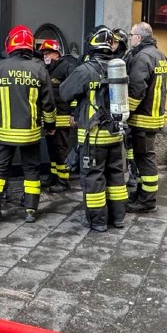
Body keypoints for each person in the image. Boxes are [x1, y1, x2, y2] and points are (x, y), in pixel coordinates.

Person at [0, 25, 56, 227]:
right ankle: (30, 210)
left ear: (11, 44)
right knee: (31, 171)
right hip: (29, 134)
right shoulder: (40, 69)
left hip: (4, 133)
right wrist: (50, 126)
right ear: (29, 45)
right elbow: (48, 104)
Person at [61, 26, 130, 231]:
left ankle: (97, 221)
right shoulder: (119, 67)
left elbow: (65, 92)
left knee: (93, 179)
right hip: (116, 134)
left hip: (93, 137)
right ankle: (118, 218)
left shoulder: (85, 70)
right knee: (116, 177)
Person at [125, 22, 167, 213]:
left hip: (142, 118)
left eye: (131, 35)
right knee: (143, 157)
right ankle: (143, 193)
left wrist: (125, 113)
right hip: (155, 115)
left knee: (145, 158)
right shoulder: (160, 55)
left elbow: (137, 90)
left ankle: (147, 200)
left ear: (139, 38)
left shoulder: (142, 57)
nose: (130, 38)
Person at [39, 38, 75, 194]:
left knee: (60, 150)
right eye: (44, 54)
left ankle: (63, 180)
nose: (45, 56)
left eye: (48, 53)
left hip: (63, 117)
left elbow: (75, 93)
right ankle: (54, 176)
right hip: (50, 119)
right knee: (52, 149)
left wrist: (73, 114)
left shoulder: (67, 68)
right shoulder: (46, 70)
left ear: (57, 53)